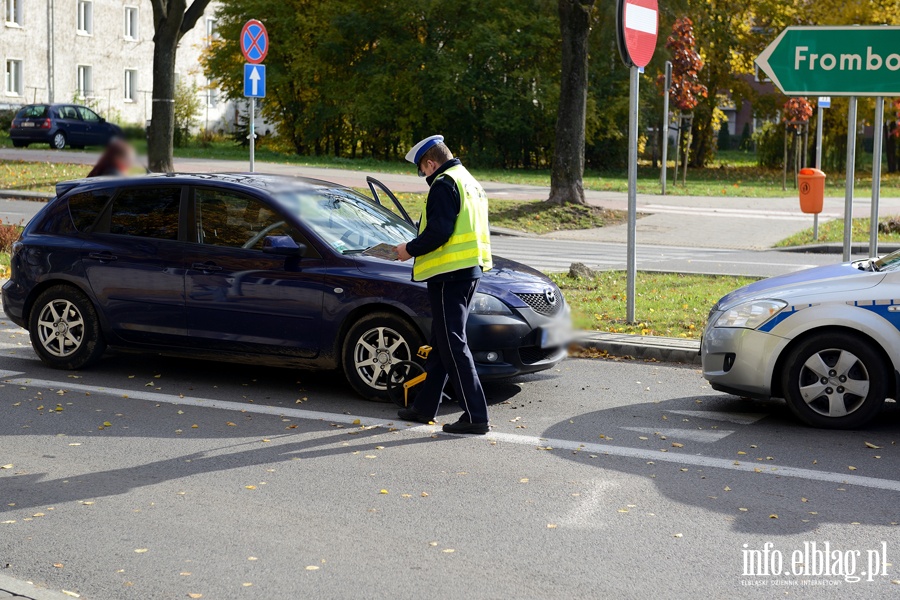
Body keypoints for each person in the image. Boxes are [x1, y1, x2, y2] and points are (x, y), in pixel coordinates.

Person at [394, 135, 493, 435]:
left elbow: (439, 231)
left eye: (422, 170)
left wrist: (408, 249)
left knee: (452, 345)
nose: (423, 176)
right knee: (442, 343)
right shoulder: (468, 181)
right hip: (467, 272)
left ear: (431, 163)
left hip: (449, 275)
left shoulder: (444, 183)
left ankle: (476, 416)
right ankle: (424, 407)